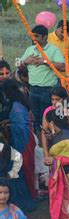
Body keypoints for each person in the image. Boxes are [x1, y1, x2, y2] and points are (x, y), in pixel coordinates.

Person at [20, 25, 65, 133]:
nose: (34, 39)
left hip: (48, 90)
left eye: (37, 36)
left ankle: (51, 139)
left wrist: (45, 62)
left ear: (45, 37)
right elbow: (18, 65)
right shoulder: (30, 50)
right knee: (36, 117)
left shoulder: (53, 50)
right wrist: (26, 61)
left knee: (48, 117)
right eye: (33, 36)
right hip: (33, 90)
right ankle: (40, 143)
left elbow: (63, 67)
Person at [2, 80, 37, 211]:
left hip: (22, 143)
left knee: (20, 170)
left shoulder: (16, 107)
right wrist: (10, 122)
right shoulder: (20, 103)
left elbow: (20, 127)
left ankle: (25, 202)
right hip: (27, 140)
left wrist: (11, 125)